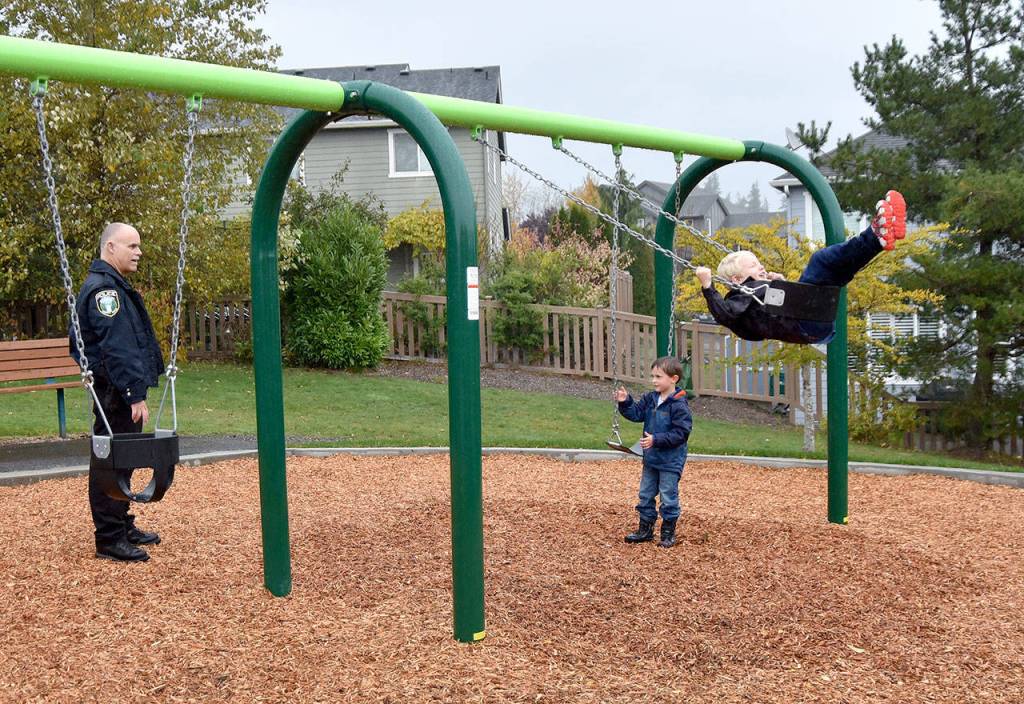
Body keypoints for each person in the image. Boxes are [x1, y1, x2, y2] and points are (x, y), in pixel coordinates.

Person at [695, 190, 907, 345]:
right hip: (807, 324)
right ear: (737, 280)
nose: (760, 266)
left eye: (759, 262)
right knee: (821, 261)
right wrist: (708, 286)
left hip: (816, 325)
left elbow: (769, 318)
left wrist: (780, 284)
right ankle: (875, 234)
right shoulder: (739, 298)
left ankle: (880, 236)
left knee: (837, 271)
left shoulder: (756, 299)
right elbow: (725, 315)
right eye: (752, 265)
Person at [72, 222, 165, 563]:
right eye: (132, 246)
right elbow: (117, 348)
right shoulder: (104, 293)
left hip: (119, 389)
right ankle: (109, 538)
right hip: (114, 390)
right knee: (109, 461)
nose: (139, 252)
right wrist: (132, 393)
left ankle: (122, 524)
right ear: (111, 248)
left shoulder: (113, 286)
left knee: (122, 458)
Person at [614, 356, 693, 549]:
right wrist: (625, 402)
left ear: (673, 379)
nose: (654, 381)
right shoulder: (651, 399)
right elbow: (637, 414)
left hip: (670, 460)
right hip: (651, 459)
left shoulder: (679, 405)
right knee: (645, 493)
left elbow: (681, 433)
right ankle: (645, 529)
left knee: (668, 495)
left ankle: (667, 532)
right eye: (653, 376)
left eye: (659, 377)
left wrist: (656, 439)